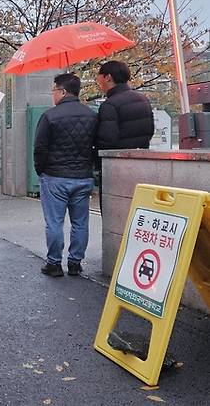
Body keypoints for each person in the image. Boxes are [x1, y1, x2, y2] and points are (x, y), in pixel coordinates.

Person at [34, 73, 98, 277]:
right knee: (80, 222)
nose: (52, 94)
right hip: (83, 177)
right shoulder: (91, 115)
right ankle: (75, 262)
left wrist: (41, 170)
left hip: (55, 177)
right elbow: (96, 146)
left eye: (53, 90)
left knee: (54, 222)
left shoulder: (49, 116)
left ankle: (54, 263)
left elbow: (40, 149)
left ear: (62, 91)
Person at [95, 60, 155, 209]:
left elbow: (107, 140)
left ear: (108, 77)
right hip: (142, 164)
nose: (98, 81)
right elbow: (150, 130)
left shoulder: (110, 105)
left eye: (99, 77)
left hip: (116, 169)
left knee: (114, 212)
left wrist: (95, 159)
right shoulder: (143, 99)